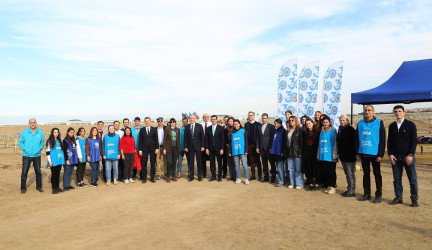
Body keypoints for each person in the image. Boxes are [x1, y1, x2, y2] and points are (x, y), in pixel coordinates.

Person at [387, 105, 419, 207]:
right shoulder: (391, 126)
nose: (398, 113)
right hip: (396, 157)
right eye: (396, 111)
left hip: (407, 157)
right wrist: (390, 154)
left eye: (400, 111)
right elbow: (390, 142)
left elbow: (414, 141)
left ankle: (414, 199)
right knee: (396, 179)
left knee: (412, 179)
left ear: (404, 112)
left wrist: (410, 155)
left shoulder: (410, 125)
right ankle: (398, 197)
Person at [355, 105, 386, 203]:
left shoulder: (379, 123)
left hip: (375, 154)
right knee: (366, 174)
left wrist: (380, 154)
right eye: (365, 110)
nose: (367, 112)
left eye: (369, 110)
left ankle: (378, 195)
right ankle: (367, 194)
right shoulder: (360, 123)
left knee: (377, 174)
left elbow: (382, 139)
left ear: (373, 111)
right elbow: (356, 139)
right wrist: (357, 152)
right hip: (364, 153)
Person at [19, 118, 45, 193]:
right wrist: (25, 149)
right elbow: (21, 142)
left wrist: (39, 148)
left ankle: (39, 186)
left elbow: (42, 141)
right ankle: (23, 188)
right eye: (31, 122)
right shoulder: (25, 132)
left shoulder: (40, 132)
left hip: (37, 155)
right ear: (29, 123)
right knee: (24, 172)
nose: (33, 124)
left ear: (36, 123)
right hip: (27, 155)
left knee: (38, 172)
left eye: (34, 122)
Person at [317, 117, 338, 194]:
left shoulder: (333, 131)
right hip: (323, 155)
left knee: (332, 171)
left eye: (327, 122)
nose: (325, 123)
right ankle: (329, 185)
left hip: (331, 155)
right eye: (324, 122)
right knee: (326, 172)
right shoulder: (321, 132)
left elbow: (336, 143)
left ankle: (333, 186)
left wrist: (335, 154)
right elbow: (320, 144)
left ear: (329, 122)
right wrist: (319, 155)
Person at [337, 115, 356, 197]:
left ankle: (351, 190)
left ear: (347, 120)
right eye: (341, 120)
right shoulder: (341, 129)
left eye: (343, 120)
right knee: (348, 173)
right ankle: (350, 189)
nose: (342, 122)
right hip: (343, 155)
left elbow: (354, 143)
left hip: (349, 155)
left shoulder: (350, 129)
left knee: (350, 174)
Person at [184, 114, 205, 181]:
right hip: (190, 147)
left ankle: (199, 176)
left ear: (195, 119)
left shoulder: (199, 126)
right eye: (190, 118)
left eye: (193, 118)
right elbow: (185, 138)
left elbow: (202, 137)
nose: (192, 119)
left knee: (199, 162)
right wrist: (185, 146)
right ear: (189, 119)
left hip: (198, 147)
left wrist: (202, 146)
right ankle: (191, 177)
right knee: (191, 162)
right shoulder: (187, 127)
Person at [256, 113, 276, 183]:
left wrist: (271, 147)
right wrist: (257, 147)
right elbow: (258, 138)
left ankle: (273, 177)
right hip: (262, 148)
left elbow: (273, 138)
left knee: (272, 163)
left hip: (269, 148)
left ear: (267, 118)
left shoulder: (272, 127)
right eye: (263, 118)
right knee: (264, 164)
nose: (264, 119)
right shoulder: (259, 127)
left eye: (265, 118)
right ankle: (266, 177)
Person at [138, 117, 159, 183]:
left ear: (150, 122)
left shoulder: (154, 129)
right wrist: (140, 150)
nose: (147, 122)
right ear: (144, 122)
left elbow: (156, 139)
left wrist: (157, 148)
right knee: (144, 164)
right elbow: (140, 140)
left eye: (148, 121)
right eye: (146, 121)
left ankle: (152, 178)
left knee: (153, 163)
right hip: (144, 149)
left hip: (153, 149)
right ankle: (144, 178)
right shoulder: (142, 130)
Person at [285, 116, 303, 189]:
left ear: (296, 121)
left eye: (293, 120)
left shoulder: (299, 130)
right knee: (290, 168)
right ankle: (292, 183)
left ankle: (299, 184)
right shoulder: (288, 130)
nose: (291, 122)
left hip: (297, 152)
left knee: (298, 169)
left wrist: (300, 152)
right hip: (289, 152)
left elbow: (301, 143)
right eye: (290, 120)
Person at [229, 119, 249, 184]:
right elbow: (231, 143)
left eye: (236, 124)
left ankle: (246, 179)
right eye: (234, 124)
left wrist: (246, 150)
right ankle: (239, 178)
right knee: (236, 166)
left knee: (245, 165)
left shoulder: (243, 131)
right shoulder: (232, 132)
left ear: (239, 124)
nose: (235, 125)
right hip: (235, 151)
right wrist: (230, 151)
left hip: (242, 151)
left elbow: (246, 141)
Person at [205, 115, 225, 182]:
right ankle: (213, 176)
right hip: (210, 149)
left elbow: (223, 139)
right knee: (212, 163)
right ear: (211, 120)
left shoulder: (221, 128)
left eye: (214, 119)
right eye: (212, 119)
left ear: (216, 120)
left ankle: (219, 176)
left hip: (219, 149)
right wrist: (207, 148)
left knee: (219, 162)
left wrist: (222, 148)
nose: (213, 120)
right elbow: (206, 139)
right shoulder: (208, 128)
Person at [46, 128, 65, 194]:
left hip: (59, 160)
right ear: (52, 133)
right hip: (53, 161)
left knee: (58, 174)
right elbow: (47, 152)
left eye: (57, 132)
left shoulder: (59, 141)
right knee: (54, 174)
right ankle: (54, 188)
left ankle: (57, 187)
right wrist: (50, 161)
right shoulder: (50, 141)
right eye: (55, 132)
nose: (56, 133)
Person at [303, 118, 320, 191]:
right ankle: (310, 184)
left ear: (313, 123)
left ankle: (316, 184)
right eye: (307, 124)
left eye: (309, 123)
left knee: (316, 169)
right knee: (309, 168)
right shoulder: (305, 133)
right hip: (307, 153)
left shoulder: (318, 132)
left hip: (315, 152)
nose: (308, 125)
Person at [244, 111, 262, 181]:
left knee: (258, 161)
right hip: (249, 145)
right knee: (251, 161)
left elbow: (259, 136)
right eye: (249, 115)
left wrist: (258, 146)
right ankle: (253, 175)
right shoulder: (246, 124)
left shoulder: (258, 124)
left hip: (256, 145)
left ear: (254, 116)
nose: (250, 116)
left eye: (251, 115)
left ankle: (260, 176)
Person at [163, 118, 180, 182]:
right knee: (169, 162)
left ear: (175, 123)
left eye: (173, 122)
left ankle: (173, 176)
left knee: (174, 162)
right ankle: (168, 176)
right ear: (170, 123)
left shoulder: (177, 130)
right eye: (171, 122)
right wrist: (164, 148)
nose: (172, 123)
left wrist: (179, 149)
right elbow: (164, 139)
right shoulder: (167, 129)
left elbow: (178, 139)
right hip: (168, 148)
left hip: (175, 148)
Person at [271, 119, 287, 187]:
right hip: (275, 152)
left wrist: (283, 151)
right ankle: (282, 179)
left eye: (277, 123)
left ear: (280, 124)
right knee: (278, 167)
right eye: (275, 123)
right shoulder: (276, 131)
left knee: (280, 167)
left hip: (280, 152)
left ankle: (281, 181)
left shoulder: (283, 131)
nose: (276, 125)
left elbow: (284, 142)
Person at [224, 117, 236, 181]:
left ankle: (235, 176)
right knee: (229, 162)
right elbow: (224, 138)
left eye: (231, 121)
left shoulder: (236, 129)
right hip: (228, 148)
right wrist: (226, 143)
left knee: (235, 162)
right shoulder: (226, 129)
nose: (230, 122)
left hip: (235, 148)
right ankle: (231, 175)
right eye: (229, 121)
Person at [201, 113, 212, 178]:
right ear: (203, 118)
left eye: (207, 117)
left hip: (210, 145)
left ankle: (212, 174)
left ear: (209, 117)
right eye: (204, 117)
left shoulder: (211, 124)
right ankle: (204, 174)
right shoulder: (200, 125)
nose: (206, 118)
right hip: (202, 145)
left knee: (211, 160)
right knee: (203, 161)